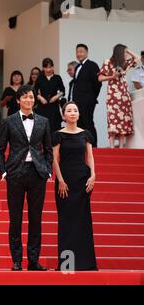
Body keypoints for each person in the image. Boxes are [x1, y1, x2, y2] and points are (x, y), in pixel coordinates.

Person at [0, 85, 53, 271]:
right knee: (15, 218)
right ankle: (17, 260)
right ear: (18, 100)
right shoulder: (8, 121)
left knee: (36, 218)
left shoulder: (44, 121)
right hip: (15, 173)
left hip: (37, 173)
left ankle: (34, 261)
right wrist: (3, 171)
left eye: (31, 97)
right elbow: (0, 150)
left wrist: (47, 169)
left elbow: (48, 149)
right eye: (25, 97)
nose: (29, 100)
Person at [52, 102, 97, 271]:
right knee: (66, 222)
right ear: (63, 115)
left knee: (83, 221)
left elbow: (90, 156)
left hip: (83, 181)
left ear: (78, 114)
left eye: (75, 110)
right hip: (65, 181)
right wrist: (61, 180)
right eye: (69, 111)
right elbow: (54, 159)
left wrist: (93, 174)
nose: (72, 113)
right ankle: (67, 264)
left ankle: (86, 264)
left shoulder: (85, 134)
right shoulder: (58, 135)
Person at [98, 45, 139, 148]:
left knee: (123, 119)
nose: (126, 54)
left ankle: (121, 148)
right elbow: (100, 77)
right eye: (124, 52)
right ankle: (112, 147)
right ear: (119, 52)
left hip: (124, 94)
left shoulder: (125, 63)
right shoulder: (108, 62)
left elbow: (137, 58)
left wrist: (128, 50)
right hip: (113, 94)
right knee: (113, 119)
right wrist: (113, 76)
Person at [72, 44, 102, 147]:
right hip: (77, 101)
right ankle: (82, 146)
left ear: (86, 53)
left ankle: (93, 146)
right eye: (77, 52)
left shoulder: (92, 65)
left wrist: (92, 97)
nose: (79, 54)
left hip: (88, 100)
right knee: (79, 124)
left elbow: (98, 83)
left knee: (88, 122)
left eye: (81, 51)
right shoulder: (77, 67)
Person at [36, 58, 65, 132]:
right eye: (46, 67)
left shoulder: (57, 78)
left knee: (54, 127)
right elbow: (34, 91)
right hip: (42, 106)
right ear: (43, 68)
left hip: (53, 106)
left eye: (50, 67)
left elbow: (62, 91)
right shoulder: (40, 78)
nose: (48, 70)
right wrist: (41, 98)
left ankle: (55, 143)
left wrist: (56, 97)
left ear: (53, 67)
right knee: (42, 128)